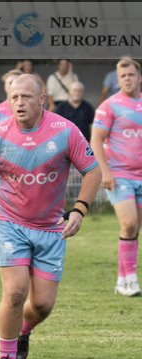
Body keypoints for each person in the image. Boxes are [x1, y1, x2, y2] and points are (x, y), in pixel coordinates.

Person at [0, 74, 101, 359]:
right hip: (9, 221)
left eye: (26, 97)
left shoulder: (65, 131)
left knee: (43, 305)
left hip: (51, 227)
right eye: (14, 97)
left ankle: (22, 331)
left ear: (42, 100)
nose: (19, 103)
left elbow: (92, 171)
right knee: (15, 292)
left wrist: (79, 209)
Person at [91, 58, 142, 297]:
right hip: (120, 175)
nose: (127, 79)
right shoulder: (109, 106)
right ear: (117, 80)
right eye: (123, 77)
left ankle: (123, 280)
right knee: (129, 223)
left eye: (131, 75)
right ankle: (130, 279)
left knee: (134, 228)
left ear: (139, 77)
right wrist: (106, 172)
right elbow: (96, 140)